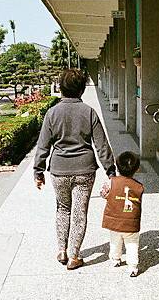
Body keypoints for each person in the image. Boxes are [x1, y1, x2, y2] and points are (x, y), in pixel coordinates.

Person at [34, 69, 116, 270]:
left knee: (63, 209)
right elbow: (101, 145)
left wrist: (38, 171)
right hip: (85, 170)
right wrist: (111, 171)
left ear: (61, 88)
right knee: (79, 212)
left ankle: (61, 249)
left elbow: (43, 145)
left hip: (59, 170)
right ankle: (74, 256)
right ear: (81, 89)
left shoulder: (52, 113)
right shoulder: (89, 112)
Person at [100, 151, 144, 277]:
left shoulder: (111, 182)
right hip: (131, 221)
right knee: (132, 244)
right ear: (137, 169)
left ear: (117, 168)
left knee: (115, 240)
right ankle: (133, 267)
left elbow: (103, 194)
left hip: (114, 220)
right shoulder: (139, 186)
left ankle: (115, 259)